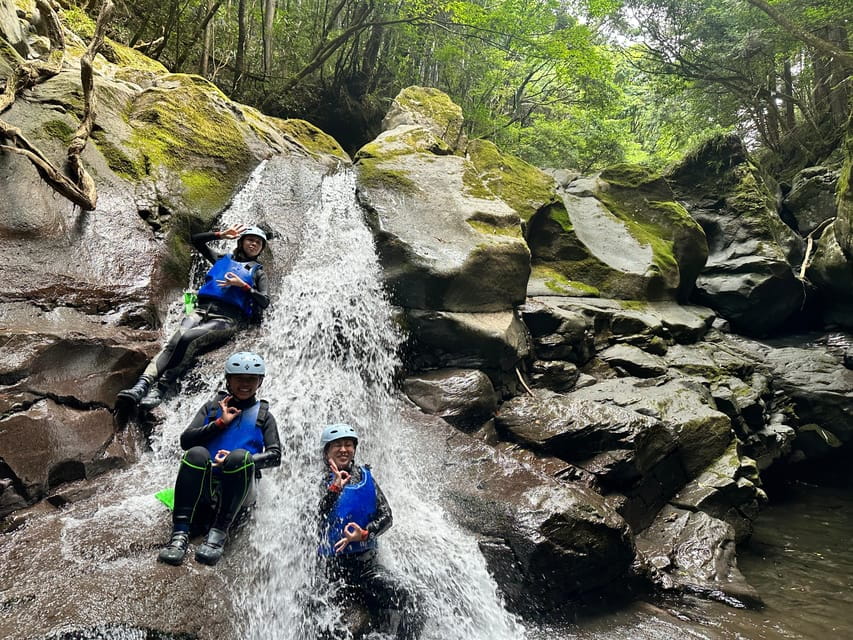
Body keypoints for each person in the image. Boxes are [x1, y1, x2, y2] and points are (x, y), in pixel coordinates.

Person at [117, 223, 271, 411]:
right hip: (201, 310)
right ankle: (141, 385)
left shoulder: (258, 273)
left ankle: (160, 389)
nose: (253, 244)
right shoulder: (221, 259)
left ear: (261, 248)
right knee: (175, 341)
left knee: (188, 338)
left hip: (227, 319)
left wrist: (244, 286)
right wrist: (221, 234)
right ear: (241, 241)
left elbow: (264, 301)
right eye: (250, 240)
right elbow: (196, 240)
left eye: (258, 243)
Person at [158, 351, 281, 566]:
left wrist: (243, 460)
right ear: (228, 380)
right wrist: (219, 423)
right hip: (205, 488)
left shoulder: (264, 416)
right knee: (196, 454)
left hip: (240, 490)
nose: (245, 384)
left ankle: (218, 534)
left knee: (240, 457)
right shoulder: (212, 408)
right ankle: (179, 534)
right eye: (239, 378)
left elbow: (275, 456)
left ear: (260, 382)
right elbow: (186, 441)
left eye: (251, 379)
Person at [318, 424, 422, 639]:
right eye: (337, 445)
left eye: (348, 445)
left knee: (414, 599)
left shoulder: (366, 477)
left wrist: (364, 534)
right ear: (327, 452)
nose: (344, 449)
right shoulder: (316, 481)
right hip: (331, 571)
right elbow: (313, 518)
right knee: (326, 624)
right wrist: (334, 489)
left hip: (366, 568)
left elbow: (387, 517)